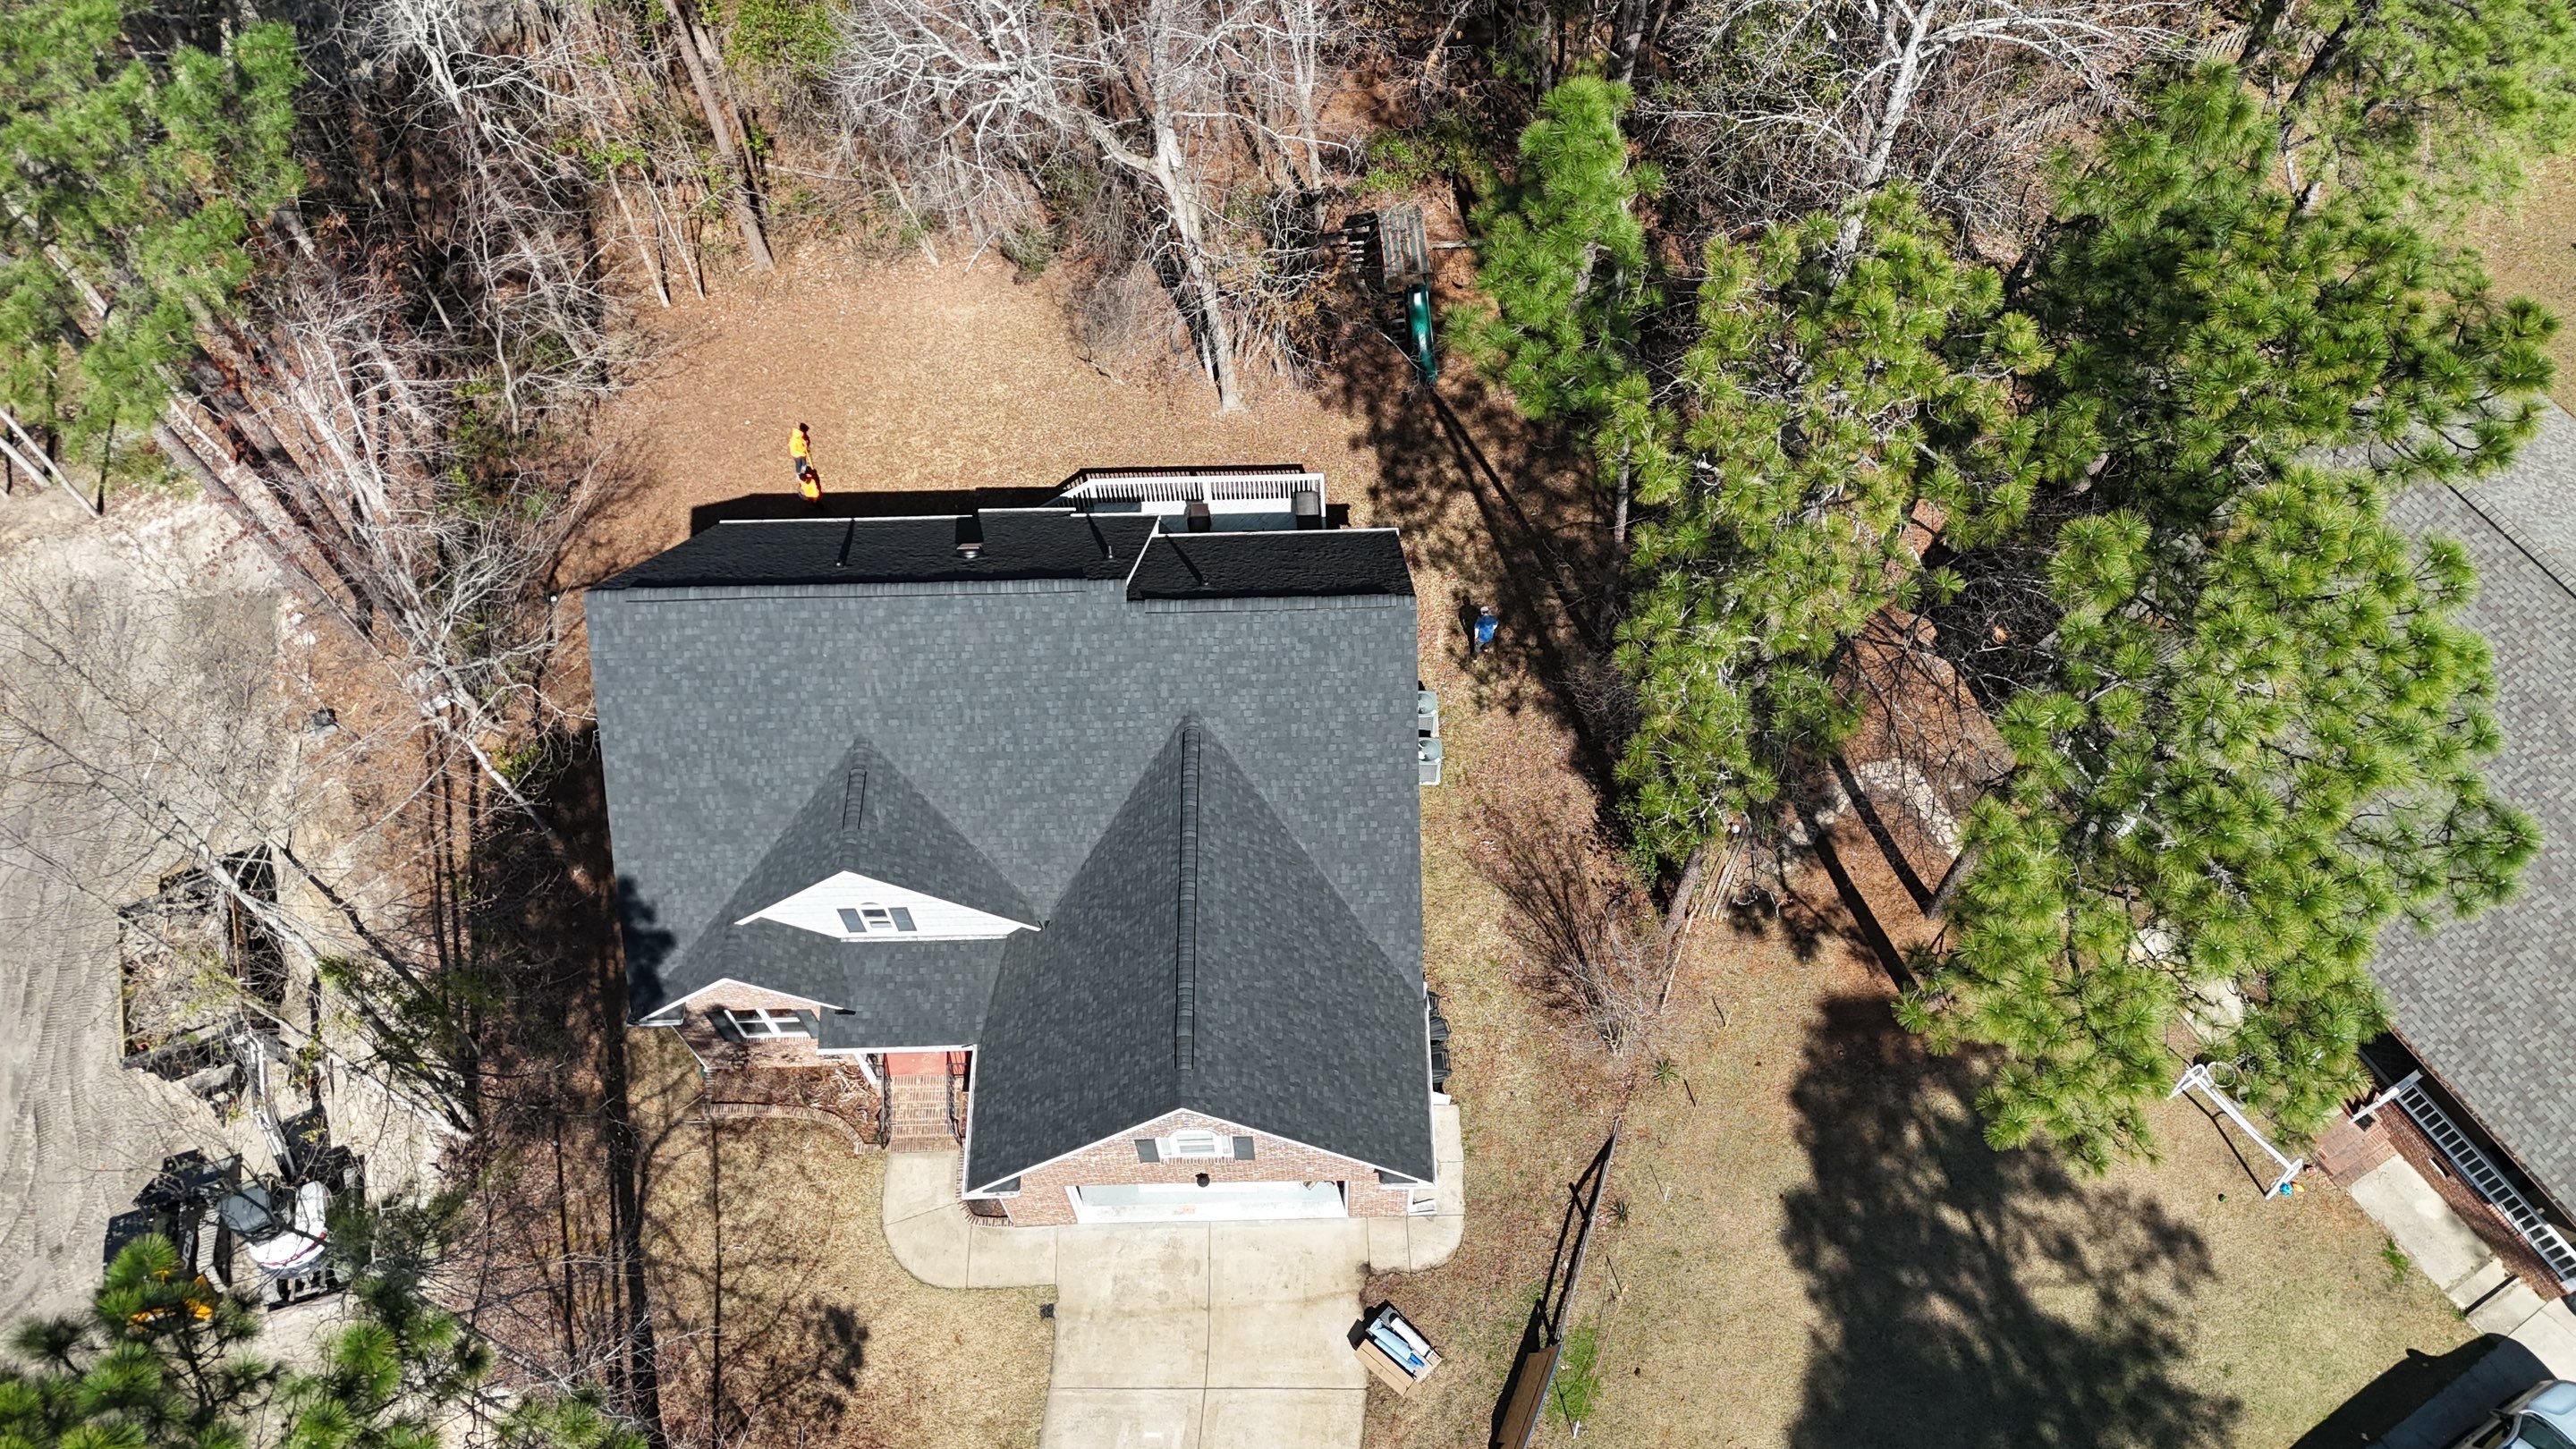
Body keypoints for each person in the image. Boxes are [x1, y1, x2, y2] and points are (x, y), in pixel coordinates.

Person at [790, 422, 821, 504]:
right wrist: (802, 453)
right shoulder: (794, 441)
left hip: (801, 454)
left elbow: (801, 442)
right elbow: (794, 450)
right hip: (797, 455)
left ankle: (802, 472)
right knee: (799, 465)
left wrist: (805, 443)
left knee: (803, 465)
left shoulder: (798, 438)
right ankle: (800, 473)